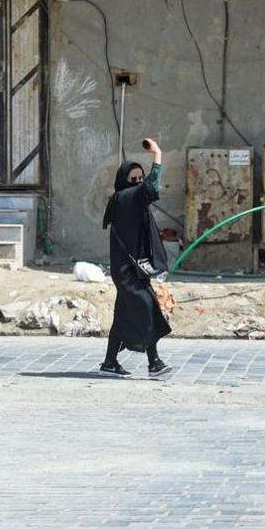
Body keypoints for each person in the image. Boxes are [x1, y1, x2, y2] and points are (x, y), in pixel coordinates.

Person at [101, 139, 172, 377]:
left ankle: (110, 362)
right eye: (134, 179)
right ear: (125, 181)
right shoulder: (125, 199)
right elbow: (151, 187)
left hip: (134, 270)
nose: (139, 182)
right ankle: (154, 363)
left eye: (140, 178)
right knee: (147, 309)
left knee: (123, 317)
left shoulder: (130, 201)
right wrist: (158, 156)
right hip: (127, 273)